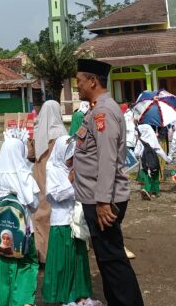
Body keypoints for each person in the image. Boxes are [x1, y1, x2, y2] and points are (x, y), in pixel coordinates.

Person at [73, 58, 144, 306]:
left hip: (102, 199)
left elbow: (107, 158)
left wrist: (103, 201)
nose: (77, 86)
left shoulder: (102, 112)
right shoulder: (97, 108)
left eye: (80, 81)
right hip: (96, 196)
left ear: (93, 81)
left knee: (113, 260)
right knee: (107, 259)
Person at [0, 129, 40, 306]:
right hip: (23, 232)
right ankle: (23, 301)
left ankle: (1, 302)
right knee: (27, 265)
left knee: (2, 269)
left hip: (0, 232)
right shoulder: (25, 176)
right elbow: (34, 203)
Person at [42, 135, 95, 306]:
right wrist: (71, 182)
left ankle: (79, 293)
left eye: (74, 156)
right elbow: (55, 195)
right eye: (70, 157)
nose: (72, 160)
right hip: (61, 221)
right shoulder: (53, 169)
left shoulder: (73, 168)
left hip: (76, 221)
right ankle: (62, 295)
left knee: (78, 259)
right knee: (62, 261)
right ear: (61, 155)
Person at [29, 99, 67, 262]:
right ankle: (61, 251)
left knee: (41, 212)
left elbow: (30, 156)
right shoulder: (64, 135)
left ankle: (42, 253)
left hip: (41, 176)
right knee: (60, 211)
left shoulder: (37, 133)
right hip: (59, 178)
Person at [135, 123, 171, 200]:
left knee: (147, 176)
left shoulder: (140, 141)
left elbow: (136, 153)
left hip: (145, 163)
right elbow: (160, 151)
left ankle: (147, 190)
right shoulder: (154, 140)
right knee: (155, 176)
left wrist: (139, 156)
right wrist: (168, 159)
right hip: (154, 162)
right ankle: (155, 192)